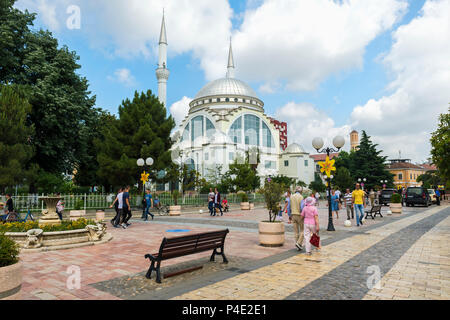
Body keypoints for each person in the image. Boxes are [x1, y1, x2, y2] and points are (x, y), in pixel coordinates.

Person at [289, 187, 304, 251]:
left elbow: (288, 207)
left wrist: (289, 215)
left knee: (296, 231)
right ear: (301, 191)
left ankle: (298, 245)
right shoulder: (301, 197)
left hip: (293, 215)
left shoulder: (291, 197)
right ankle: (299, 243)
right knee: (303, 230)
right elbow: (302, 207)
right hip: (299, 215)